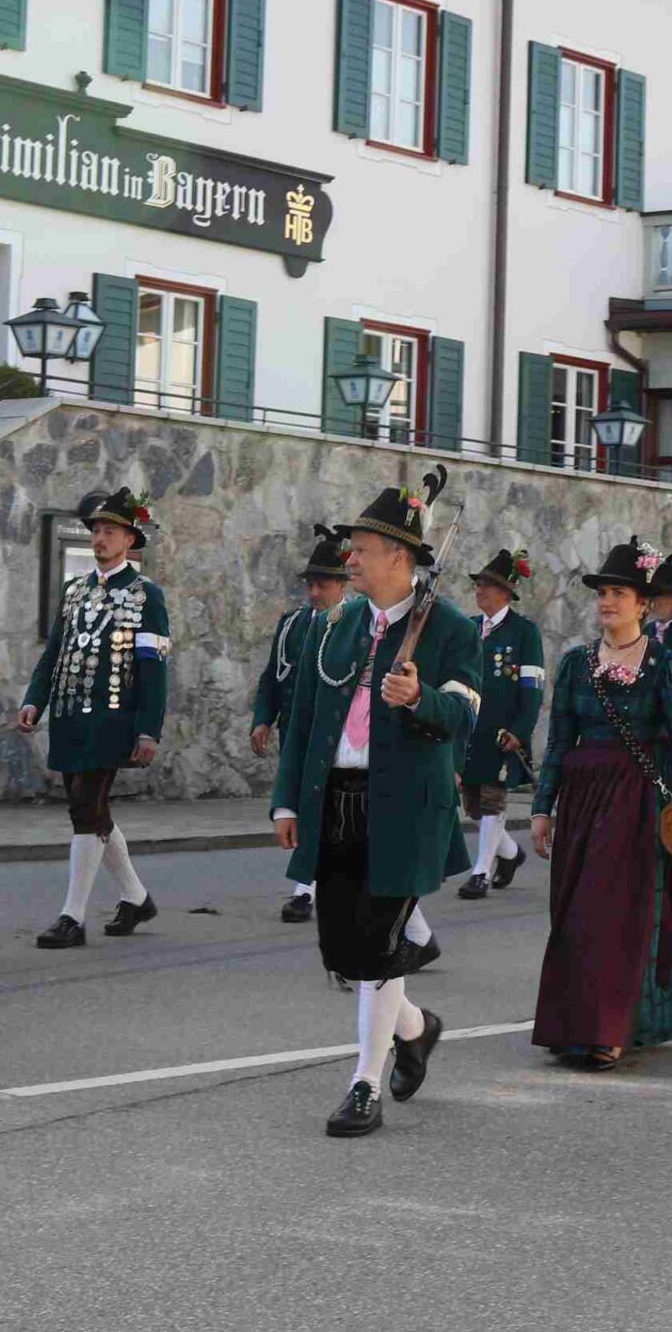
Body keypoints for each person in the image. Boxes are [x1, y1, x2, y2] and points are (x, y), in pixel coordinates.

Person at [268, 472, 475, 1137]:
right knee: (347, 952)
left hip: (407, 809)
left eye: (361, 548)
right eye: (351, 547)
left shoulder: (450, 628)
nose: (349, 558)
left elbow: (465, 714)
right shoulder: (337, 624)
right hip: (337, 802)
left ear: (400, 556)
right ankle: (416, 1029)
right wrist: (286, 802)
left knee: (378, 946)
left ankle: (365, 1084)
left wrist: (420, 699)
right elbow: (303, 719)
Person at [527, 537, 672, 1068]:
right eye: (603, 593)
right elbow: (558, 743)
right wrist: (543, 809)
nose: (608, 602)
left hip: (636, 801)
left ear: (643, 604)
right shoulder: (576, 663)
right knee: (574, 914)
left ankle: (608, 1031)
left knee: (616, 915)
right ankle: (573, 1025)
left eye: (619, 593)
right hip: (581, 800)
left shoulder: (666, 665)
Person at [20, 488, 168, 949]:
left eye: (110, 532)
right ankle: (136, 898)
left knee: (85, 809)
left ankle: (73, 916)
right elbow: (54, 653)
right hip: (69, 717)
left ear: (129, 540)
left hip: (112, 720)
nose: (100, 538)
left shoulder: (146, 595)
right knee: (92, 810)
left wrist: (148, 729)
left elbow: (153, 669)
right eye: (97, 531)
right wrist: (35, 700)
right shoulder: (74, 591)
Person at [251, 526, 349, 924]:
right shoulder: (292, 624)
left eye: (322, 584)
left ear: (342, 585)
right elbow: (272, 677)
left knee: (322, 810)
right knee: (306, 808)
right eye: (311, 584)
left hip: (334, 737)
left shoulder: (353, 626)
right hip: (296, 732)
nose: (314, 592)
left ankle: (306, 889)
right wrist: (263, 719)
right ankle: (312, 885)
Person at [457, 548, 543, 901]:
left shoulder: (524, 632)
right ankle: (509, 853)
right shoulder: (468, 628)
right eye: (478, 584)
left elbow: (532, 689)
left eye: (487, 585)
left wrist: (520, 731)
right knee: (473, 806)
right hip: (470, 732)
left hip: (502, 733)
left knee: (493, 800)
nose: (479, 590)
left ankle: (481, 872)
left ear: (506, 592)